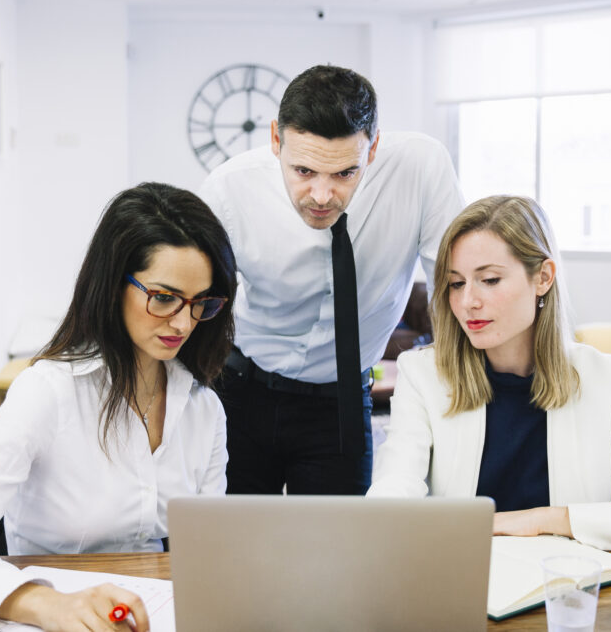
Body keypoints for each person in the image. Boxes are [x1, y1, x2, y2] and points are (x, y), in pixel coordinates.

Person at [0, 182, 237, 630]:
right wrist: (48, 606)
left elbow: (205, 555)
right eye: (165, 297)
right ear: (114, 285)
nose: (182, 322)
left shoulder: (203, 410)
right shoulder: (47, 393)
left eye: (200, 303)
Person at [367, 195, 611, 552]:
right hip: (466, 584)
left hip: (566, 590)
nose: (467, 302)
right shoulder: (424, 374)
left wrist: (544, 520)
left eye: (489, 280)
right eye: (456, 283)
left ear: (543, 277)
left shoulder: (605, 379)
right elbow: (394, 487)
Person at [199, 64, 464, 495]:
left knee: (339, 553)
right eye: (304, 171)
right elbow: (190, 303)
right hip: (243, 390)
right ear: (275, 139)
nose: (322, 196)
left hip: (342, 402)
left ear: (372, 147)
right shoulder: (229, 190)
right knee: (234, 549)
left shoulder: (421, 169)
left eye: (345, 173)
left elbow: (454, 283)